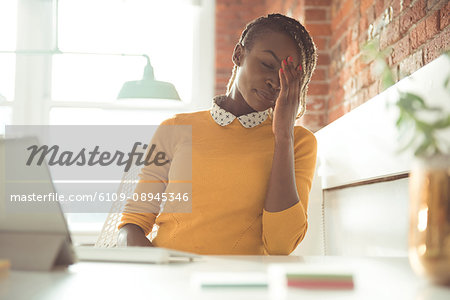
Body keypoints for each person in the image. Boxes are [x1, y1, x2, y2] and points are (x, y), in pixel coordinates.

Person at [117, 13, 318, 255]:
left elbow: (281, 245)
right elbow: (131, 226)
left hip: (239, 287)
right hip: (169, 280)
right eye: (267, 64)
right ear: (238, 54)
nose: (275, 82)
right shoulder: (174, 129)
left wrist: (283, 135)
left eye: (288, 75)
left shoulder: (299, 143)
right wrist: (158, 272)